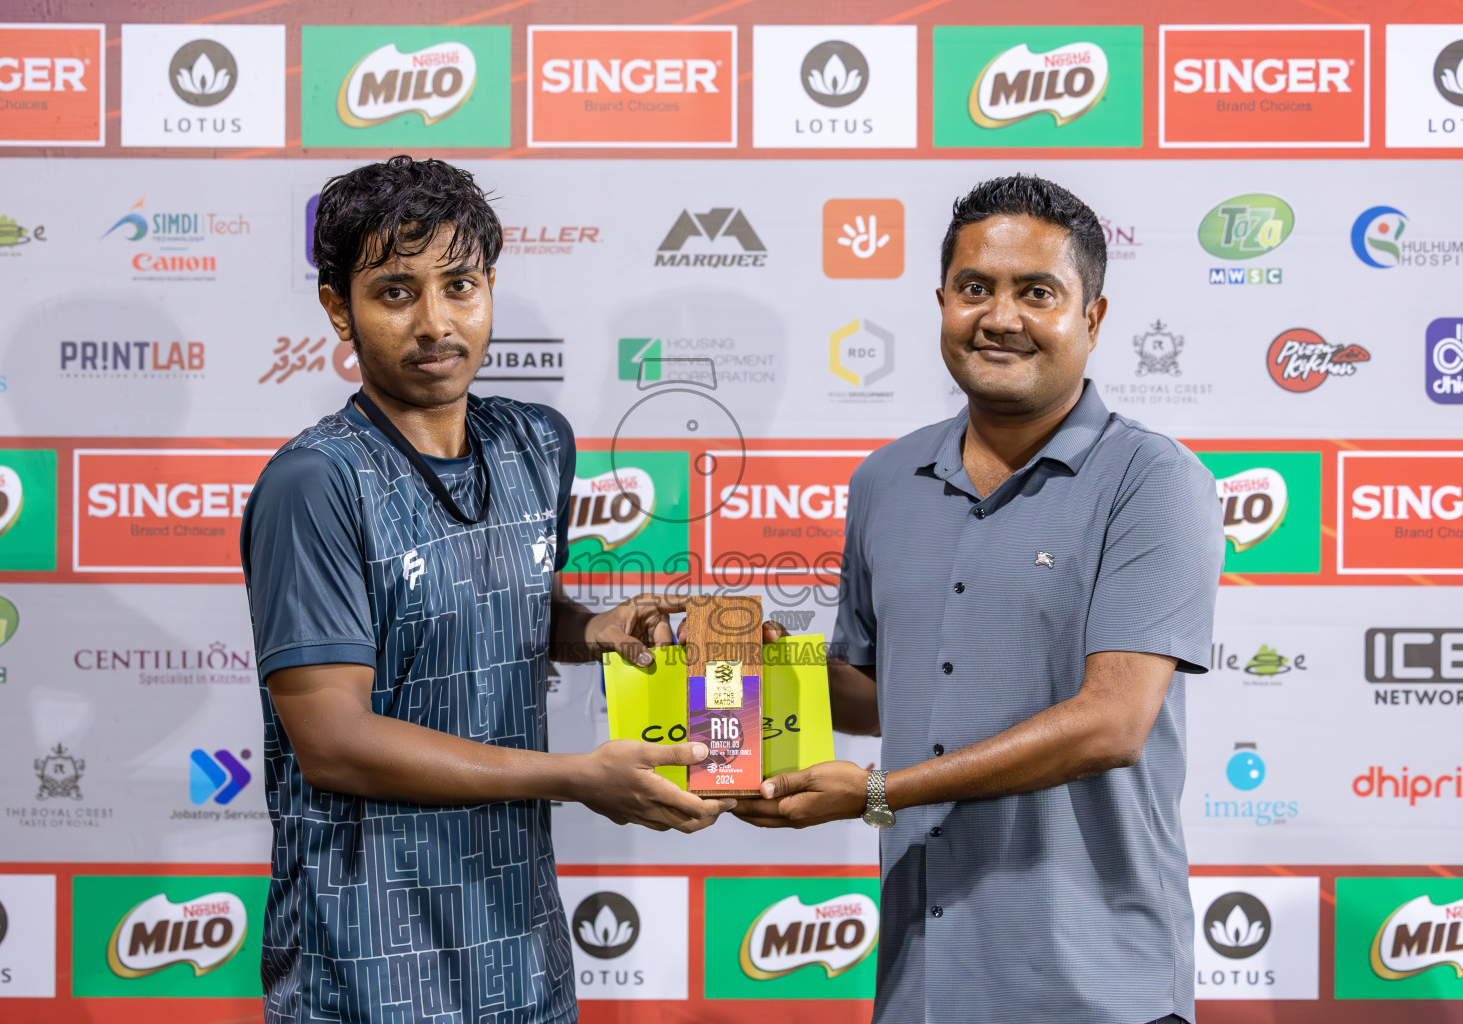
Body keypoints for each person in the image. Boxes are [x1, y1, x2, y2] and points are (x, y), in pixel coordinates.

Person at [240, 156, 731, 1024]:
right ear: (336, 307)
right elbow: (335, 742)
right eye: (396, 292)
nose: (436, 322)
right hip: (365, 965)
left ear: (490, 287)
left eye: (459, 285)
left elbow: (497, 603)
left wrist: (596, 632)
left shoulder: (536, 442)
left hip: (520, 952)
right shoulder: (314, 482)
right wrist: (577, 777)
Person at [733, 175, 1223, 1024]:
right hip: (924, 980)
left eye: (1037, 292)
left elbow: (1112, 723)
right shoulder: (885, 479)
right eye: (975, 289)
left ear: (1093, 318)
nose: (999, 317)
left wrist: (880, 793)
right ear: (942, 303)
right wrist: (750, 671)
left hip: (1096, 985)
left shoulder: (1154, 482)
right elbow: (886, 693)